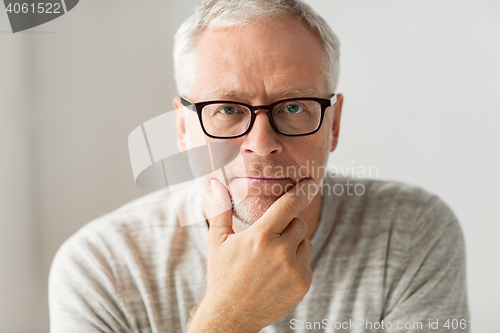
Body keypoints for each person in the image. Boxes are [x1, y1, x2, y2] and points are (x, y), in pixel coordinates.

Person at [48, 0, 469, 332]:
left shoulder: (411, 232)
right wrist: (228, 320)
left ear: (334, 125)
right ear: (182, 130)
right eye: (228, 108)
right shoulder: (101, 266)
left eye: (293, 107)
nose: (262, 144)